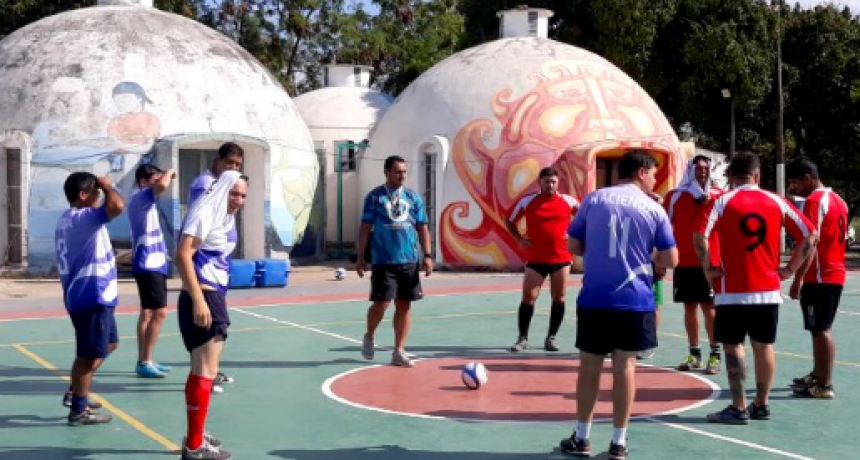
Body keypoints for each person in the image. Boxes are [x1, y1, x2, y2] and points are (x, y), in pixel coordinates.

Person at [560, 150, 678, 459]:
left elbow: (573, 245)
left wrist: (599, 252)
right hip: (635, 300)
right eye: (653, 172)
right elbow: (671, 258)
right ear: (641, 172)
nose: (655, 179)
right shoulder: (654, 209)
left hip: (596, 298)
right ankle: (619, 442)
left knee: (589, 368)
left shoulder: (594, 200)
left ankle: (582, 437)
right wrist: (647, 257)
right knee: (625, 367)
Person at [694, 152, 817, 425]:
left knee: (733, 345)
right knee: (764, 347)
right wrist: (789, 270)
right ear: (757, 175)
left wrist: (708, 269)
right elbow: (810, 235)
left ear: (730, 176)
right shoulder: (776, 200)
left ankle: (738, 407)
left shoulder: (721, 201)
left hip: (731, 290)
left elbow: (699, 238)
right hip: (767, 290)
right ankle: (761, 404)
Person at [176, 170, 247, 459]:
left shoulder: (223, 215)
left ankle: (195, 436)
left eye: (243, 195)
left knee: (202, 371)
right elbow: (182, 255)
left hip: (212, 294)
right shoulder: (205, 212)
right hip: (204, 296)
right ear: (222, 189)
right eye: (234, 193)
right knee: (206, 372)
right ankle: (194, 447)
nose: (238, 200)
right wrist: (198, 299)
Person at [56, 172, 125, 425]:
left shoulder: (68, 219)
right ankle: (78, 409)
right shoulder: (83, 217)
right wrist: (107, 184)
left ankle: (77, 391)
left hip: (96, 294)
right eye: (96, 192)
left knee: (109, 344)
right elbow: (117, 205)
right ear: (84, 196)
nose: (100, 196)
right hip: (90, 295)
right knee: (86, 356)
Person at [356, 155, 433, 368]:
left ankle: (398, 351)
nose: (402, 176)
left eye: (404, 172)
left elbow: (422, 227)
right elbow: (365, 228)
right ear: (387, 172)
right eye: (398, 172)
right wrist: (361, 256)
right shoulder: (374, 197)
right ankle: (370, 335)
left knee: (404, 305)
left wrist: (427, 255)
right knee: (381, 303)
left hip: (409, 260)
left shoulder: (413, 197)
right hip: (383, 259)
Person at [786, 158, 848, 399]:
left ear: (808, 178)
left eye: (795, 183)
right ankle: (817, 374)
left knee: (821, 329)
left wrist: (797, 278)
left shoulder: (814, 200)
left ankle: (825, 384)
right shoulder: (838, 200)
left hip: (821, 276)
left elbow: (811, 242)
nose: (793, 188)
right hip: (834, 273)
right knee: (817, 328)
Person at [187, 142, 244, 393]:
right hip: (205, 277)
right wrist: (198, 295)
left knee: (205, 355)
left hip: (215, 275)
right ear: (216, 161)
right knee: (207, 350)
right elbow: (188, 245)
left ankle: (208, 373)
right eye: (228, 163)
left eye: (237, 165)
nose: (231, 169)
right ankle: (207, 376)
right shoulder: (206, 188)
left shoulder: (224, 196)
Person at [505, 167, 579, 352]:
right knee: (529, 297)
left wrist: (573, 235)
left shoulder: (568, 201)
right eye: (547, 182)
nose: (550, 185)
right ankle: (522, 338)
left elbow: (585, 218)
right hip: (535, 258)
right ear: (540, 182)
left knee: (559, 297)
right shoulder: (528, 201)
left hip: (561, 257)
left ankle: (551, 338)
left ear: (558, 183)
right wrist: (519, 239)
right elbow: (509, 220)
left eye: (553, 182)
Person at [664, 155, 724, 373]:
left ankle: (715, 355)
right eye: (698, 168)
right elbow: (664, 226)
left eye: (706, 169)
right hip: (684, 262)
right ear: (690, 170)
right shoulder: (675, 196)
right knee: (689, 307)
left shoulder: (719, 196)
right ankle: (695, 353)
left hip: (709, 262)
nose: (702, 172)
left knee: (710, 308)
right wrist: (661, 256)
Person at [128, 164, 175, 378]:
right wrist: (170, 171)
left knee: (148, 312)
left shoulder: (145, 200)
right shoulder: (141, 197)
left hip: (153, 262)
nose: (160, 182)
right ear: (144, 182)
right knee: (160, 312)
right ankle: (144, 361)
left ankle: (145, 359)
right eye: (154, 179)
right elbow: (164, 184)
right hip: (148, 264)